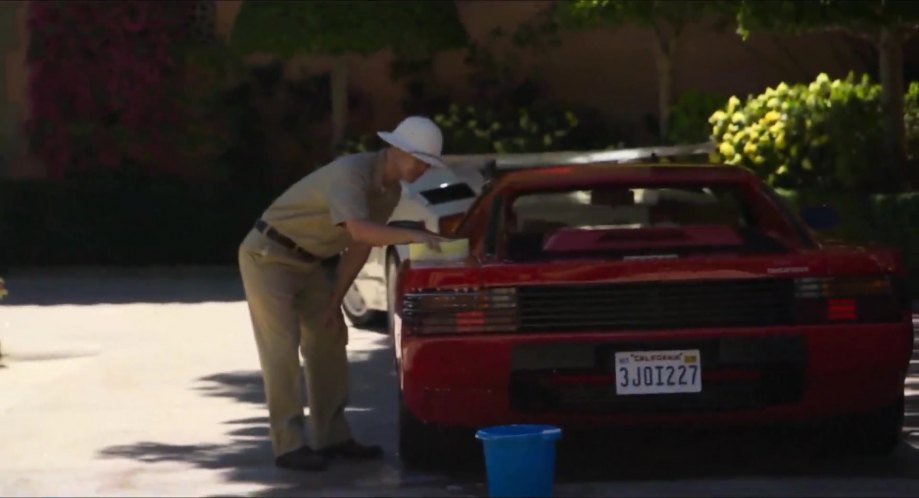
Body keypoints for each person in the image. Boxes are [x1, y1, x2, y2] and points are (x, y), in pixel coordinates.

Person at [237, 116, 449, 472]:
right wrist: (412, 235)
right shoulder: (351, 173)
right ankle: (288, 445)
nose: (422, 168)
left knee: (330, 336)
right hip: (268, 255)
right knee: (282, 346)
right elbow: (360, 228)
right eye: (418, 158)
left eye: (428, 162)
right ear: (395, 150)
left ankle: (332, 437)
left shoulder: (391, 190)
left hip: (308, 263)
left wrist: (336, 302)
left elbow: (359, 246)